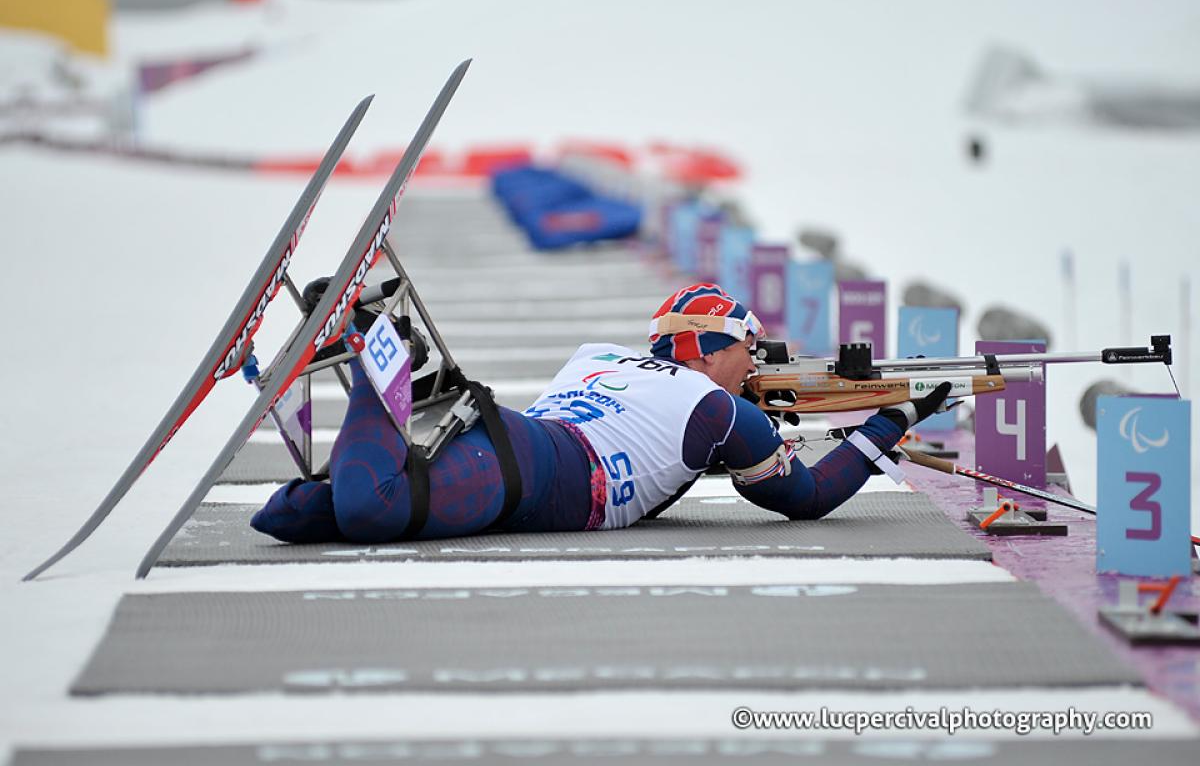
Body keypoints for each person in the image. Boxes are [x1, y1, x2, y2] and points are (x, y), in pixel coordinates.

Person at [251, 283, 950, 543]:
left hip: (509, 441)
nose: (757, 362)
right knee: (371, 512)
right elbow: (807, 497)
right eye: (749, 346)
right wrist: (891, 422)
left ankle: (368, 349)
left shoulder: (601, 354)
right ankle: (379, 350)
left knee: (296, 516)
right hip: (536, 469)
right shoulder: (715, 407)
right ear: (707, 352)